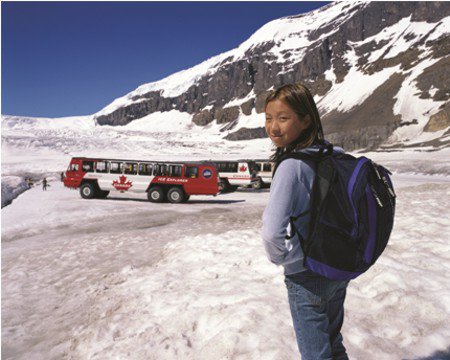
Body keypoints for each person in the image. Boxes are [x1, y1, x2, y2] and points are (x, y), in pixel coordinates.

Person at [261, 83, 350, 360]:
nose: (274, 127)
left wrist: (284, 260)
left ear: (306, 119)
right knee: (334, 345)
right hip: (336, 267)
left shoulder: (291, 166)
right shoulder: (332, 154)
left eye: (283, 118)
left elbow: (271, 232)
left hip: (306, 275)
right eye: (268, 118)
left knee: (316, 355)